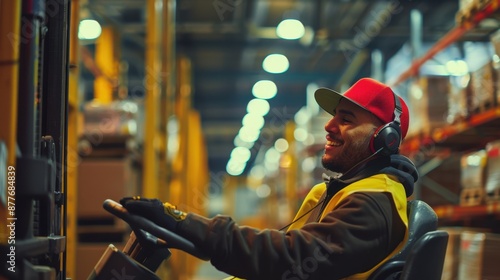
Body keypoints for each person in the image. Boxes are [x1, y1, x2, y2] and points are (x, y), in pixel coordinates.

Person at [120, 77, 419, 280]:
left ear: (385, 139)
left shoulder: (374, 205)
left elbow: (292, 257)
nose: (329, 125)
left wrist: (190, 225)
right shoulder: (346, 192)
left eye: (346, 119)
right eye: (333, 116)